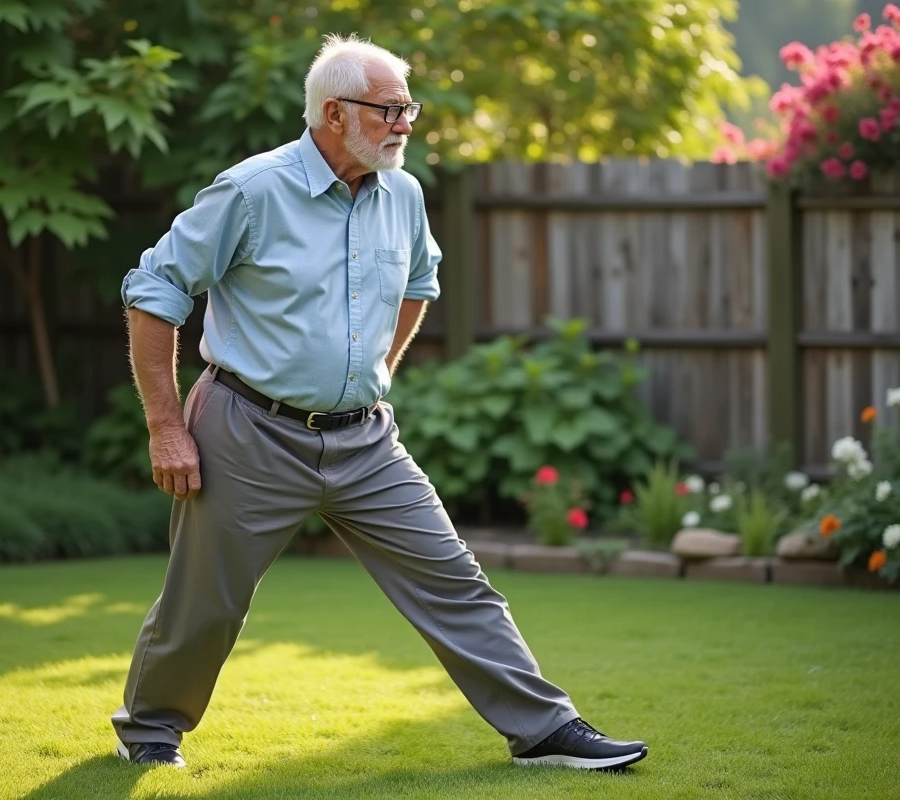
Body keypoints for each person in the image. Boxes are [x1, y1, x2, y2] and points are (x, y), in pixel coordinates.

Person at [110, 33, 648, 772]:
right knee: (204, 602)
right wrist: (166, 427)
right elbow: (154, 290)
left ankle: (545, 730)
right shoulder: (252, 190)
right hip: (247, 430)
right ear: (334, 112)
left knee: (456, 582)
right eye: (390, 109)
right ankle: (149, 729)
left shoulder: (404, 192)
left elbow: (419, 284)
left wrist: (377, 370)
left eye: (408, 109)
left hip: (366, 441)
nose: (405, 124)